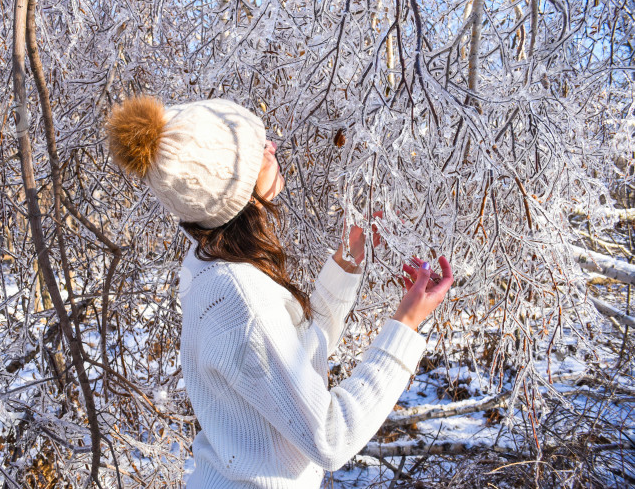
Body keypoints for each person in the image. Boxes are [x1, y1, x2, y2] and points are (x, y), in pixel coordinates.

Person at [105, 95, 454, 488]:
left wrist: (347, 261)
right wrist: (406, 324)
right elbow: (330, 437)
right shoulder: (241, 297)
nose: (272, 146)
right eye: (258, 148)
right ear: (233, 184)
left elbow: (291, 356)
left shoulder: (209, 262)